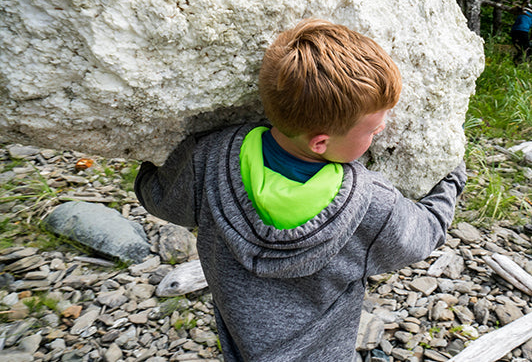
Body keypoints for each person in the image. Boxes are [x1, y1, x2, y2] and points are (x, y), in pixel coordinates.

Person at [134, 18, 467, 362]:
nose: (381, 128)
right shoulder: (370, 204)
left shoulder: (209, 156)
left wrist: (144, 170)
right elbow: (425, 233)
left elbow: (160, 200)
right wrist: (452, 174)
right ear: (321, 142)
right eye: (372, 128)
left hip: (243, 347)